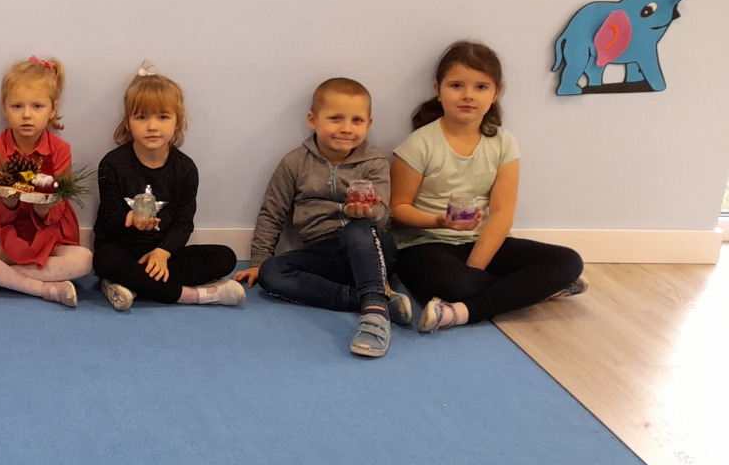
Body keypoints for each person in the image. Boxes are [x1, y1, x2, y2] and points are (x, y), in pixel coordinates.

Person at [391, 41, 585, 332]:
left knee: (569, 261)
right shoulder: (418, 145)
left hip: (480, 242)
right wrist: (438, 221)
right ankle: (536, 290)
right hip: (425, 244)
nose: (468, 95)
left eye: (481, 87)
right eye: (456, 86)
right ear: (438, 90)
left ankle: (463, 312)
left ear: (497, 92)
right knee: (456, 285)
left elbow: (503, 212)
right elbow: (398, 209)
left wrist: (475, 266)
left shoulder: (503, 142)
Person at [232, 78, 413, 357]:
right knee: (272, 272)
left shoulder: (374, 161)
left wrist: (366, 214)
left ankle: (375, 315)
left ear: (368, 124)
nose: (346, 128)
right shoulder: (294, 163)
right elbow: (272, 213)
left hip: (371, 248)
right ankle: (370, 299)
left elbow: (383, 214)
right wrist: (258, 260)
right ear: (312, 120)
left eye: (356, 120)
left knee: (357, 230)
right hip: (323, 253)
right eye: (335, 118)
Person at [0, 56, 93, 307]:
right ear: (5, 108)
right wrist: (9, 202)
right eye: (17, 106)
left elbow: (57, 211)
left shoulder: (60, 150)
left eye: (37, 106)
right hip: (3, 237)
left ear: (52, 109)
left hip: (47, 240)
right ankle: (42, 288)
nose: (26, 115)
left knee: (85, 260)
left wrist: (44, 207)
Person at [93, 63, 241, 310]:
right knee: (103, 260)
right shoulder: (112, 164)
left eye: (162, 117)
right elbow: (109, 219)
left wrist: (162, 252)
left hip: (164, 255)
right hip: (121, 251)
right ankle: (188, 295)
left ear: (177, 121)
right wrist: (129, 219)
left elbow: (183, 224)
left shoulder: (185, 169)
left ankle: (131, 285)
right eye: (142, 117)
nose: (152, 126)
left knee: (225, 257)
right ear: (128, 122)